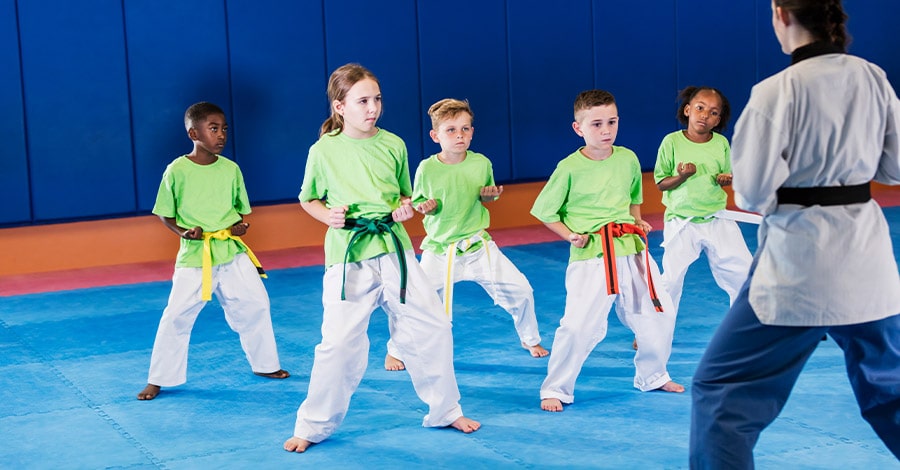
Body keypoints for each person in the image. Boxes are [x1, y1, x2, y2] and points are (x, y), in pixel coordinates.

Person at [690, 0, 900, 466]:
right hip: (867, 257)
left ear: (780, 13)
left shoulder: (775, 91)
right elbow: (896, 166)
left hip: (797, 263)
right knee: (891, 395)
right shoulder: (872, 77)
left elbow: (752, 191)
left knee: (721, 391)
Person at [284, 64, 480, 454]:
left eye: (376, 99)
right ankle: (313, 425)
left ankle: (445, 410)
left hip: (394, 250)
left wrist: (408, 208)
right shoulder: (323, 150)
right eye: (362, 101)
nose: (372, 108)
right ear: (340, 106)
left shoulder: (394, 144)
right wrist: (328, 216)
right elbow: (308, 198)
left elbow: (403, 197)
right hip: (348, 253)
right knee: (337, 344)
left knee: (434, 327)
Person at [531, 89, 684, 413]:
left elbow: (633, 198)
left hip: (631, 249)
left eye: (611, 122)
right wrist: (571, 235)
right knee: (578, 326)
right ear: (579, 128)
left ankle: (653, 375)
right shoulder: (569, 167)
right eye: (597, 124)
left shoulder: (627, 158)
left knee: (660, 312)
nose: (606, 130)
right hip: (592, 256)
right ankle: (555, 388)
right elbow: (545, 211)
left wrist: (639, 222)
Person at [137, 102, 289, 401]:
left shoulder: (231, 169)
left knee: (256, 303)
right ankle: (159, 378)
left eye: (224, 129)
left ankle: (265, 365)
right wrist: (184, 232)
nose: (221, 135)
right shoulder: (176, 170)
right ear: (194, 133)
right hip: (195, 257)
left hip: (231, 253)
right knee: (176, 316)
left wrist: (238, 227)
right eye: (214, 129)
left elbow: (237, 213)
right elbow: (165, 213)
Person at [382, 98, 548, 371]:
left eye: (465, 129)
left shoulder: (481, 163)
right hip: (440, 250)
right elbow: (421, 203)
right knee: (415, 301)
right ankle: (396, 349)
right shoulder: (427, 168)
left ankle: (529, 339)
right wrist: (427, 208)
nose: (459, 135)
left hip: (478, 246)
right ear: (435, 136)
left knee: (522, 290)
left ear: (472, 131)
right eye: (451, 130)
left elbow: (486, 196)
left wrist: (489, 197)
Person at [654, 86, 752, 316]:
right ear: (687, 110)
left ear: (719, 119)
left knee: (744, 271)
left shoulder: (721, 144)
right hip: (681, 220)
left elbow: (724, 177)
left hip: (717, 218)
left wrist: (724, 180)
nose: (705, 115)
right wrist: (682, 176)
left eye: (714, 112)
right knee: (670, 279)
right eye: (700, 108)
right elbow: (661, 183)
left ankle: (743, 325)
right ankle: (653, 330)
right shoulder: (671, 142)